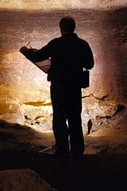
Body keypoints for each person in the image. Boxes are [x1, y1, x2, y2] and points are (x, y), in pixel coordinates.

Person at [20, 16, 94, 158]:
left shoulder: (56, 44)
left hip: (59, 86)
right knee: (74, 118)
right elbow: (90, 64)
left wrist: (25, 51)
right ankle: (77, 150)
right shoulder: (82, 44)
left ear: (61, 28)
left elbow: (38, 56)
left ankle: (62, 150)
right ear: (74, 27)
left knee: (59, 118)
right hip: (74, 86)